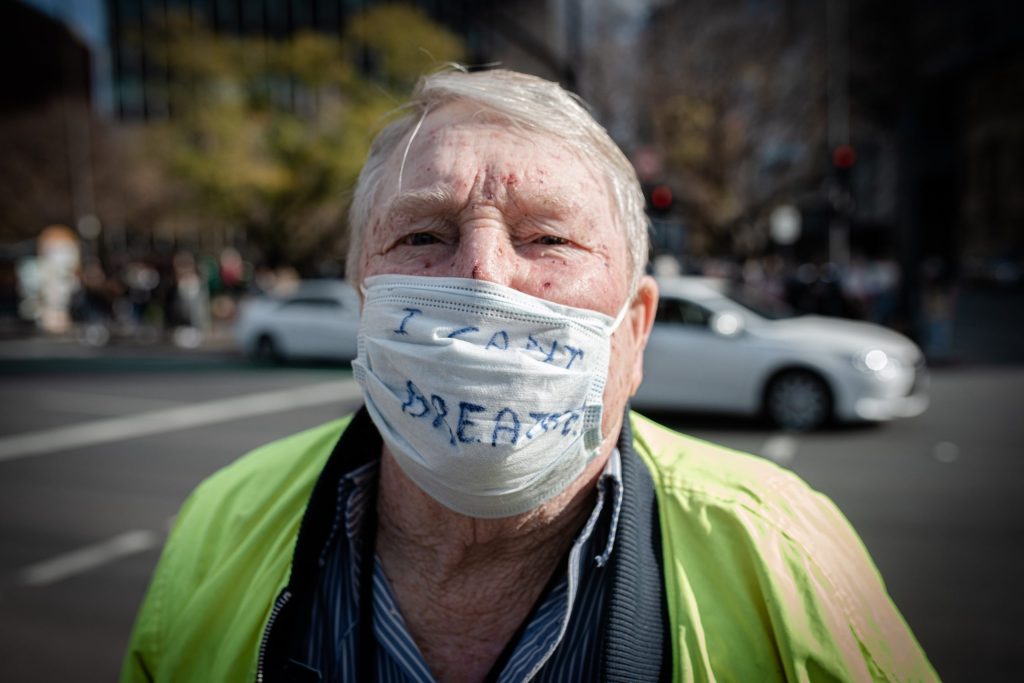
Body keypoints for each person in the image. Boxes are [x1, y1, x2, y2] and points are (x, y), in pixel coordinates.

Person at [121, 69, 936, 682]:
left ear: (636, 327)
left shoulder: (785, 553)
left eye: (547, 239)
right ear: (362, 297)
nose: (481, 277)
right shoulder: (220, 522)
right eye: (421, 236)